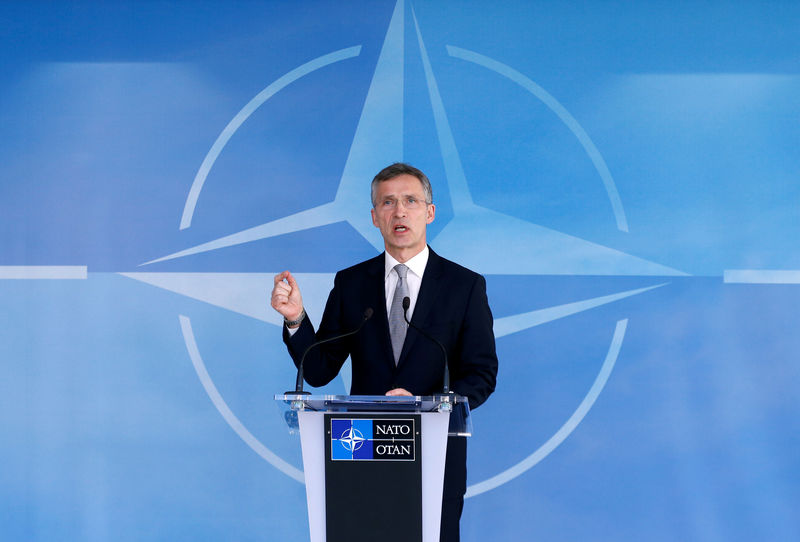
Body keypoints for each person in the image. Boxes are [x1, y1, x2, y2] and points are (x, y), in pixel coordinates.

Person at [270, 162, 498, 542]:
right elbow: (321, 369)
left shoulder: (465, 286)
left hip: (433, 450)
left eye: (410, 200)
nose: (400, 211)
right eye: (388, 203)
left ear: (430, 212)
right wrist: (296, 319)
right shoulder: (352, 283)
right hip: (358, 446)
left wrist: (431, 404)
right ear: (375, 217)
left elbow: (481, 375)